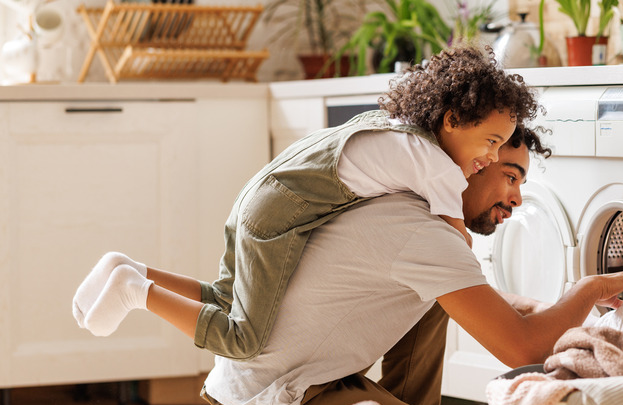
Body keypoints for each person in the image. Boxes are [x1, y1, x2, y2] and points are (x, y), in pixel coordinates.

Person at [71, 45, 538, 360]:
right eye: (491, 143)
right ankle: (136, 291)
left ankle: (131, 266)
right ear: (453, 120)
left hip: (258, 200)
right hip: (279, 217)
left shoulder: (400, 131)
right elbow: (457, 249)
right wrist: (500, 305)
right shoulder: (434, 166)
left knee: (225, 297)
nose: (491, 158)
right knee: (244, 340)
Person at [199, 128, 623, 405]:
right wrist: (587, 289)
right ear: (477, 162)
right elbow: (525, 351)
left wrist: (535, 310)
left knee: (437, 301)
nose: (516, 198)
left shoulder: (409, 207)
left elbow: (457, 292)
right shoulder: (423, 233)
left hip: (290, 381)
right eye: (510, 177)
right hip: (278, 399)